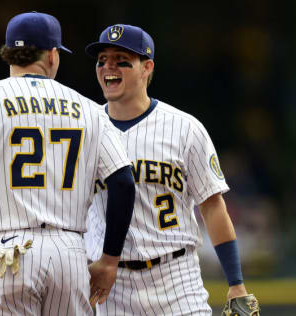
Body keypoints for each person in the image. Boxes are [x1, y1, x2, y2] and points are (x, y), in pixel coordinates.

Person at [0, 12, 136, 316]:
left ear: (9, 54)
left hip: (6, 250)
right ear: (53, 55)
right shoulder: (89, 110)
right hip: (69, 252)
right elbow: (123, 182)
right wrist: (109, 260)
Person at [84, 24, 252, 315]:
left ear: (146, 67)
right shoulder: (83, 127)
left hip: (175, 277)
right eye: (102, 60)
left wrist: (236, 283)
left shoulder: (185, 128)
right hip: (109, 285)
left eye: (121, 59)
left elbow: (213, 207)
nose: (108, 66)